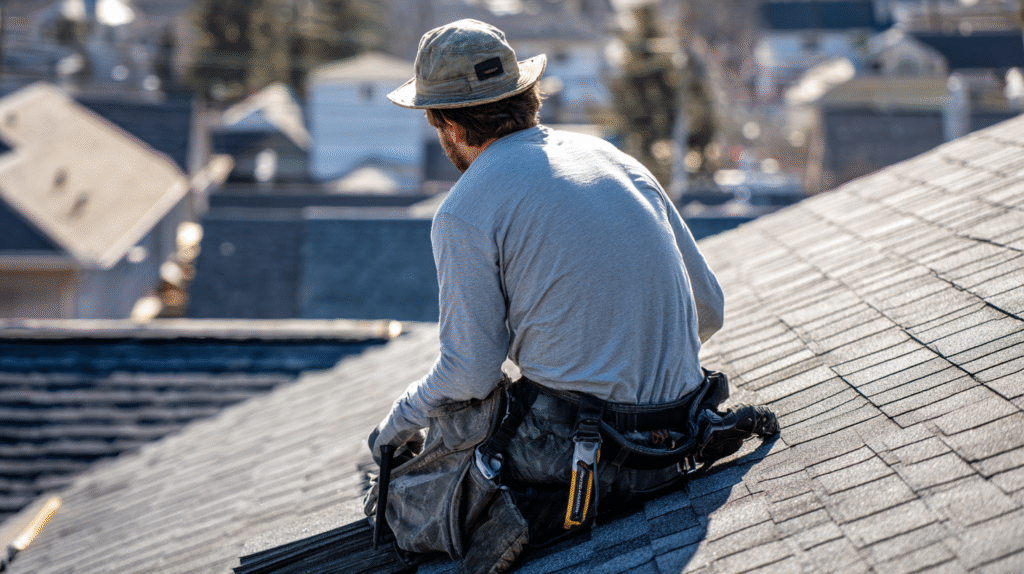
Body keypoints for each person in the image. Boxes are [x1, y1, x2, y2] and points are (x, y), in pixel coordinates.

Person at [366, 18, 778, 574]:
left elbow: (471, 372)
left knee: (412, 485)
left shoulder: (465, 210)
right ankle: (664, 451)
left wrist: (397, 423)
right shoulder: (613, 159)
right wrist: (636, 366)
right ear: (525, 96)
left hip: (581, 451)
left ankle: (521, 512)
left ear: (450, 127)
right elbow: (709, 308)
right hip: (679, 427)